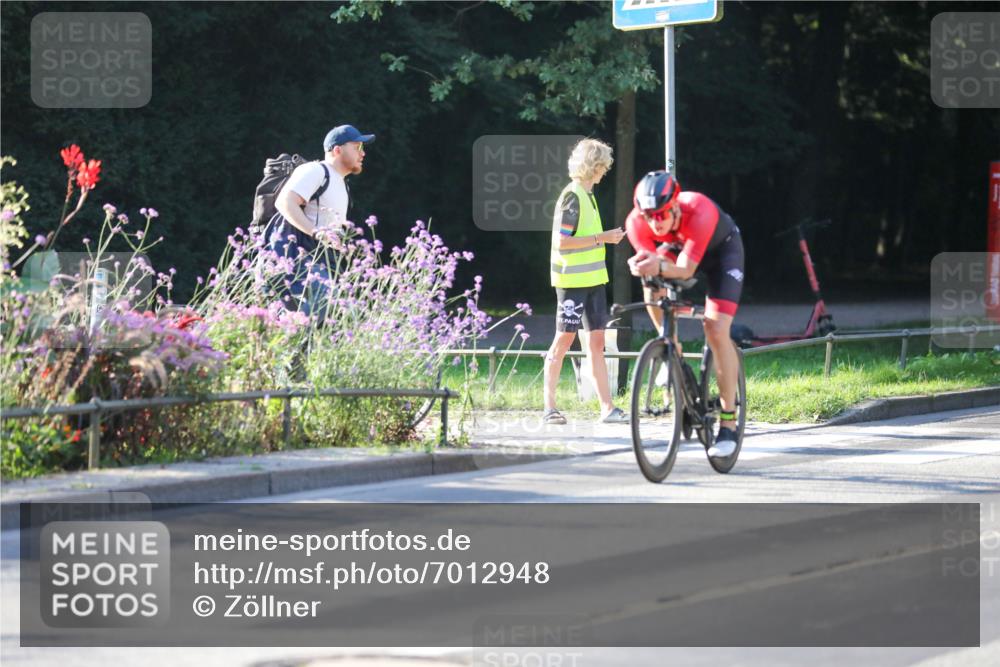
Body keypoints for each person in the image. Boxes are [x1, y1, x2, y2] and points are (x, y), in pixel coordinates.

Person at [625, 170, 745, 458]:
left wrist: (658, 266)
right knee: (650, 284)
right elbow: (652, 265)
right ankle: (670, 349)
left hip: (721, 253)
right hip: (677, 251)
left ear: (675, 205)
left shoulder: (698, 209)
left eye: (661, 214)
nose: (655, 222)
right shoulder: (635, 222)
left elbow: (685, 270)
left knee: (715, 330)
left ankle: (728, 422)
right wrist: (644, 267)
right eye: (648, 216)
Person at [542, 138, 628, 425]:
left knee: (597, 343)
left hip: (593, 282)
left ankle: (607, 408)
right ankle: (549, 408)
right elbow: (562, 243)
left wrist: (604, 238)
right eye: (604, 165)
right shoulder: (573, 196)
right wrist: (603, 238)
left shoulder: (587, 195)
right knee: (563, 341)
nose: (606, 170)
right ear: (594, 166)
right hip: (572, 283)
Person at [270, 124, 374, 316]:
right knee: (327, 304)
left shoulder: (341, 184)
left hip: (318, 265)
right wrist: (318, 233)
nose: (363, 153)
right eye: (357, 147)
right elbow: (285, 203)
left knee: (341, 315)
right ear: (337, 150)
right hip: (294, 262)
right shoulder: (315, 171)